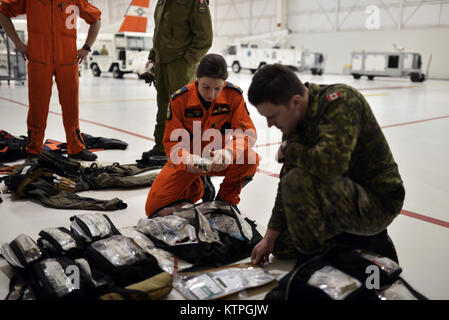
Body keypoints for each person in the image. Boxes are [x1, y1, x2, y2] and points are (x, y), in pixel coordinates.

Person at [248, 64, 405, 265]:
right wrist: (270, 235)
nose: (269, 124)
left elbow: (330, 167)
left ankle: (315, 265)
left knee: (298, 181)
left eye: (272, 116)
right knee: (281, 247)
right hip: (336, 196)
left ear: (295, 102)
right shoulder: (294, 119)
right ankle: (340, 241)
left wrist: (290, 151)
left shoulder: (341, 101)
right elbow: (287, 177)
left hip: (377, 202)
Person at [145, 54, 259, 217]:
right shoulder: (180, 100)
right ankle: (199, 184)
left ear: (224, 84)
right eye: (206, 87)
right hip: (187, 163)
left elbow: (247, 133)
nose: (211, 94)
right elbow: (172, 143)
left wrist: (229, 151)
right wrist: (187, 159)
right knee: (153, 209)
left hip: (217, 159)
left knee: (250, 159)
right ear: (197, 78)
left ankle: (225, 201)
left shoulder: (233, 96)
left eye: (217, 88)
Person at [0, 0, 101, 161]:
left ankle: (76, 147)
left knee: (71, 107)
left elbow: (96, 20)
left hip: (68, 60)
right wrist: (18, 44)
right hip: (39, 59)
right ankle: (34, 149)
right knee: (37, 108)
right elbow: (3, 13)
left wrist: (87, 47)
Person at [143, 0, 213, 160]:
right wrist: (153, 57)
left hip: (180, 64)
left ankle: (186, 149)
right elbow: (158, 31)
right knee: (163, 108)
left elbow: (205, 37)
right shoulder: (162, 2)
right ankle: (161, 147)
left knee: (183, 108)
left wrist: (188, 59)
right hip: (162, 63)